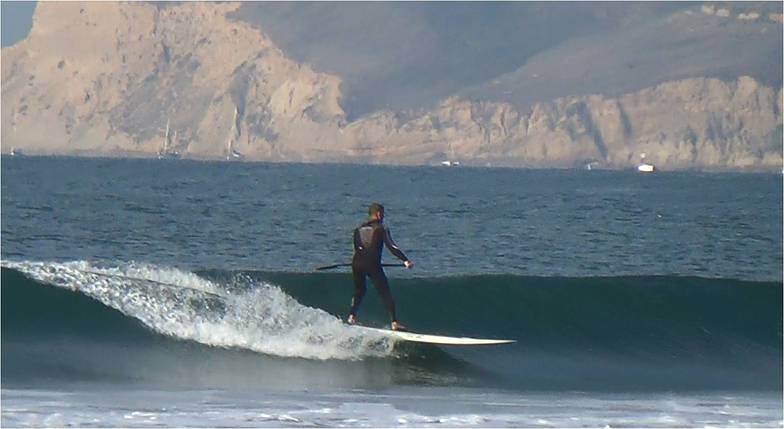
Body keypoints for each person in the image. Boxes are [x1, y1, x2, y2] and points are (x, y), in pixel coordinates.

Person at [347, 202, 413, 331]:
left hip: (357, 263)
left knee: (359, 291)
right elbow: (392, 247)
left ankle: (351, 317)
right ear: (378, 214)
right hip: (372, 264)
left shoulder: (358, 229)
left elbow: (357, 248)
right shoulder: (381, 229)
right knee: (385, 292)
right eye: (383, 214)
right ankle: (394, 322)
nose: (383, 216)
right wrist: (406, 261)